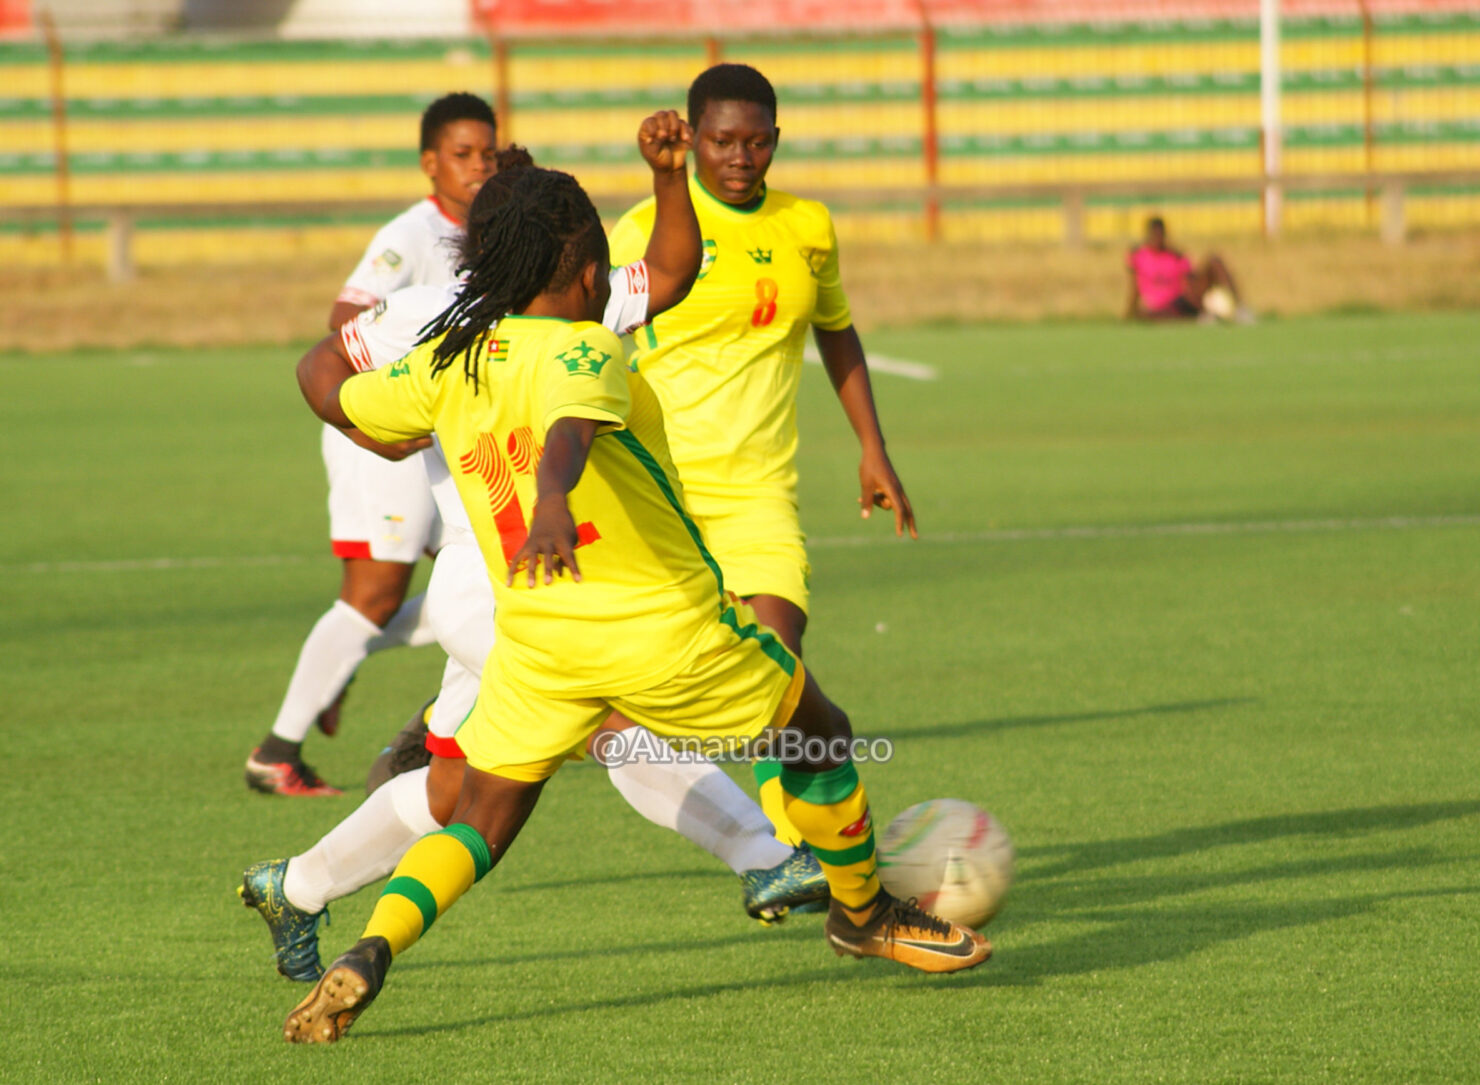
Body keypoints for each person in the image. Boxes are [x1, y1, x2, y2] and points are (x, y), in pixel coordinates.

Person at [280, 164, 990, 1043]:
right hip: (666, 631)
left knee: (485, 815)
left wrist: (379, 433)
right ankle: (864, 911)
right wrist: (549, 504)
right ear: (582, 265)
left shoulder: (449, 363)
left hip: (537, 643)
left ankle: (372, 948)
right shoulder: (588, 347)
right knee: (819, 726)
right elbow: (571, 430)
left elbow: (323, 380)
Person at [241, 127, 828, 986]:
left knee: (454, 793)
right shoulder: (430, 314)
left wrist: (668, 183)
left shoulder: (566, 303)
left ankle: (293, 885)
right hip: (494, 585)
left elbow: (668, 273)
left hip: (545, 578)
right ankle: (763, 851)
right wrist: (373, 432)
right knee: (614, 721)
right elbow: (319, 359)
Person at [608, 64, 917, 843]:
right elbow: (586, 348)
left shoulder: (806, 225)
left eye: (755, 141)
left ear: (776, 141)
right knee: (618, 699)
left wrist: (873, 449)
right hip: (660, 496)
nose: (739, 157)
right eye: (721, 140)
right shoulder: (640, 227)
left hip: (758, 497)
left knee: (778, 668)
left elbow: (836, 330)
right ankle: (446, 723)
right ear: (693, 137)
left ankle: (791, 851)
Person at [244, 93, 500, 797]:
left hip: (435, 436)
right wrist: (398, 389)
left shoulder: (494, 233)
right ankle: (278, 752)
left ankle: (338, 660)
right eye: (463, 154)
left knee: (467, 573)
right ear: (430, 164)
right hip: (383, 429)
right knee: (378, 590)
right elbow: (345, 315)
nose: (478, 166)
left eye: (489, 153)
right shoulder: (413, 234)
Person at [1124, 215, 1252, 323]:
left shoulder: (1176, 256)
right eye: (1154, 234)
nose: (1158, 238)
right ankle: (1205, 314)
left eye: (1160, 234)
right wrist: (1130, 312)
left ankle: (1239, 308)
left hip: (1182, 300)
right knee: (1155, 314)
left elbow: (1189, 280)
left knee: (1215, 261)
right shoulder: (1138, 256)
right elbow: (1134, 287)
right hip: (1160, 307)